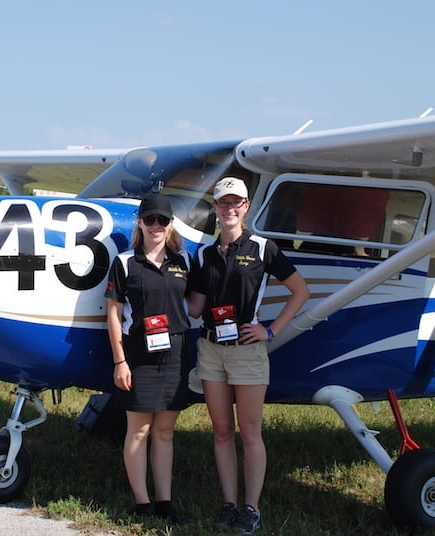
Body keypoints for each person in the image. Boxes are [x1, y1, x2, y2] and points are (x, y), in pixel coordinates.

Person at [187, 177, 310, 535]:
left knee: (250, 433)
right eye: (223, 203)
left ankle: (251, 508)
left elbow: (300, 292)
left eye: (235, 203)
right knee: (222, 431)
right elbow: (195, 306)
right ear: (214, 207)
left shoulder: (262, 248)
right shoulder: (203, 254)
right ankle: (229, 503)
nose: (229, 209)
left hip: (247, 351)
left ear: (246, 207)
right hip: (210, 349)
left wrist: (270, 330)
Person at [105, 193, 191, 524]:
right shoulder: (125, 262)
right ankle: (142, 504)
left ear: (171, 225)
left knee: (165, 431)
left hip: (175, 353)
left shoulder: (184, 261)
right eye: (150, 219)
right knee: (138, 430)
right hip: (138, 355)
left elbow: (193, 305)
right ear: (140, 222)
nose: (156, 226)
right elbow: (113, 313)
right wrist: (120, 360)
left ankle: (165, 503)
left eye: (162, 220)